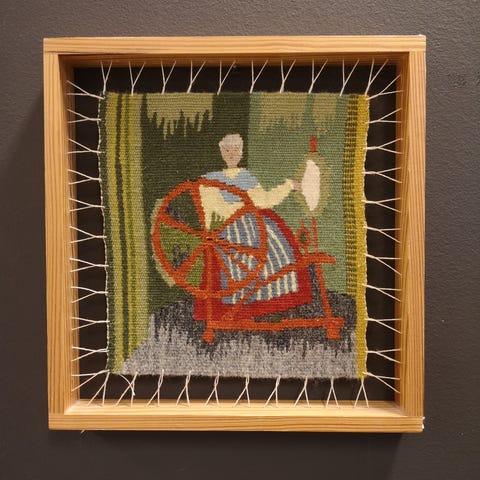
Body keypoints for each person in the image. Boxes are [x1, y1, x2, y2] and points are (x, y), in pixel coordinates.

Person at [193, 133, 312, 321]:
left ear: (241, 153)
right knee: (248, 257)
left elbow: (264, 200)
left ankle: (263, 306)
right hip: (229, 230)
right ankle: (243, 307)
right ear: (221, 152)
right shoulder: (210, 180)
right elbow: (207, 210)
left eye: (235, 150)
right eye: (227, 150)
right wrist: (208, 232)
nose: (231, 154)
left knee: (274, 247)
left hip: (250, 224)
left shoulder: (246, 177)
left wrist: (288, 186)